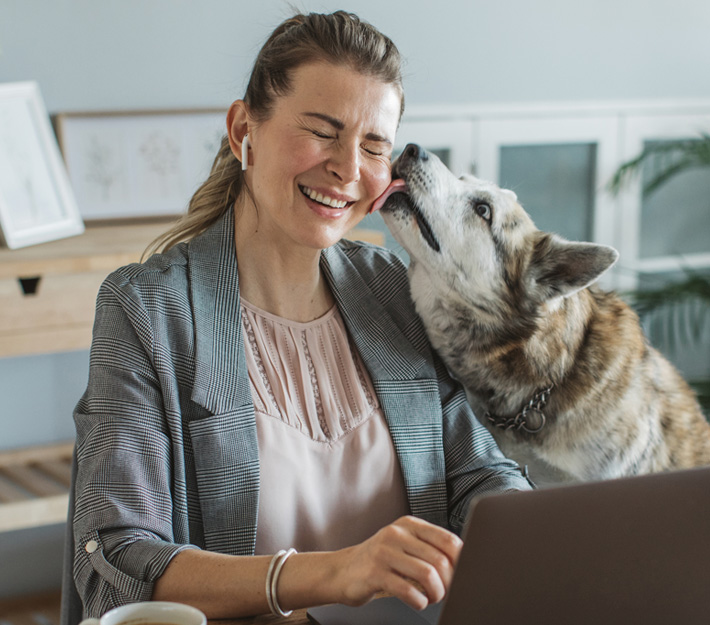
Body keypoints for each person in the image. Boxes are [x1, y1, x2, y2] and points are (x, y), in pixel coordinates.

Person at [61, 10, 532, 624]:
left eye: (373, 147)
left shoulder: (395, 289)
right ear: (242, 130)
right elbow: (119, 559)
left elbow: (478, 474)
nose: (347, 168)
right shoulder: (147, 310)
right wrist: (334, 572)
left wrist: (528, 529)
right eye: (322, 131)